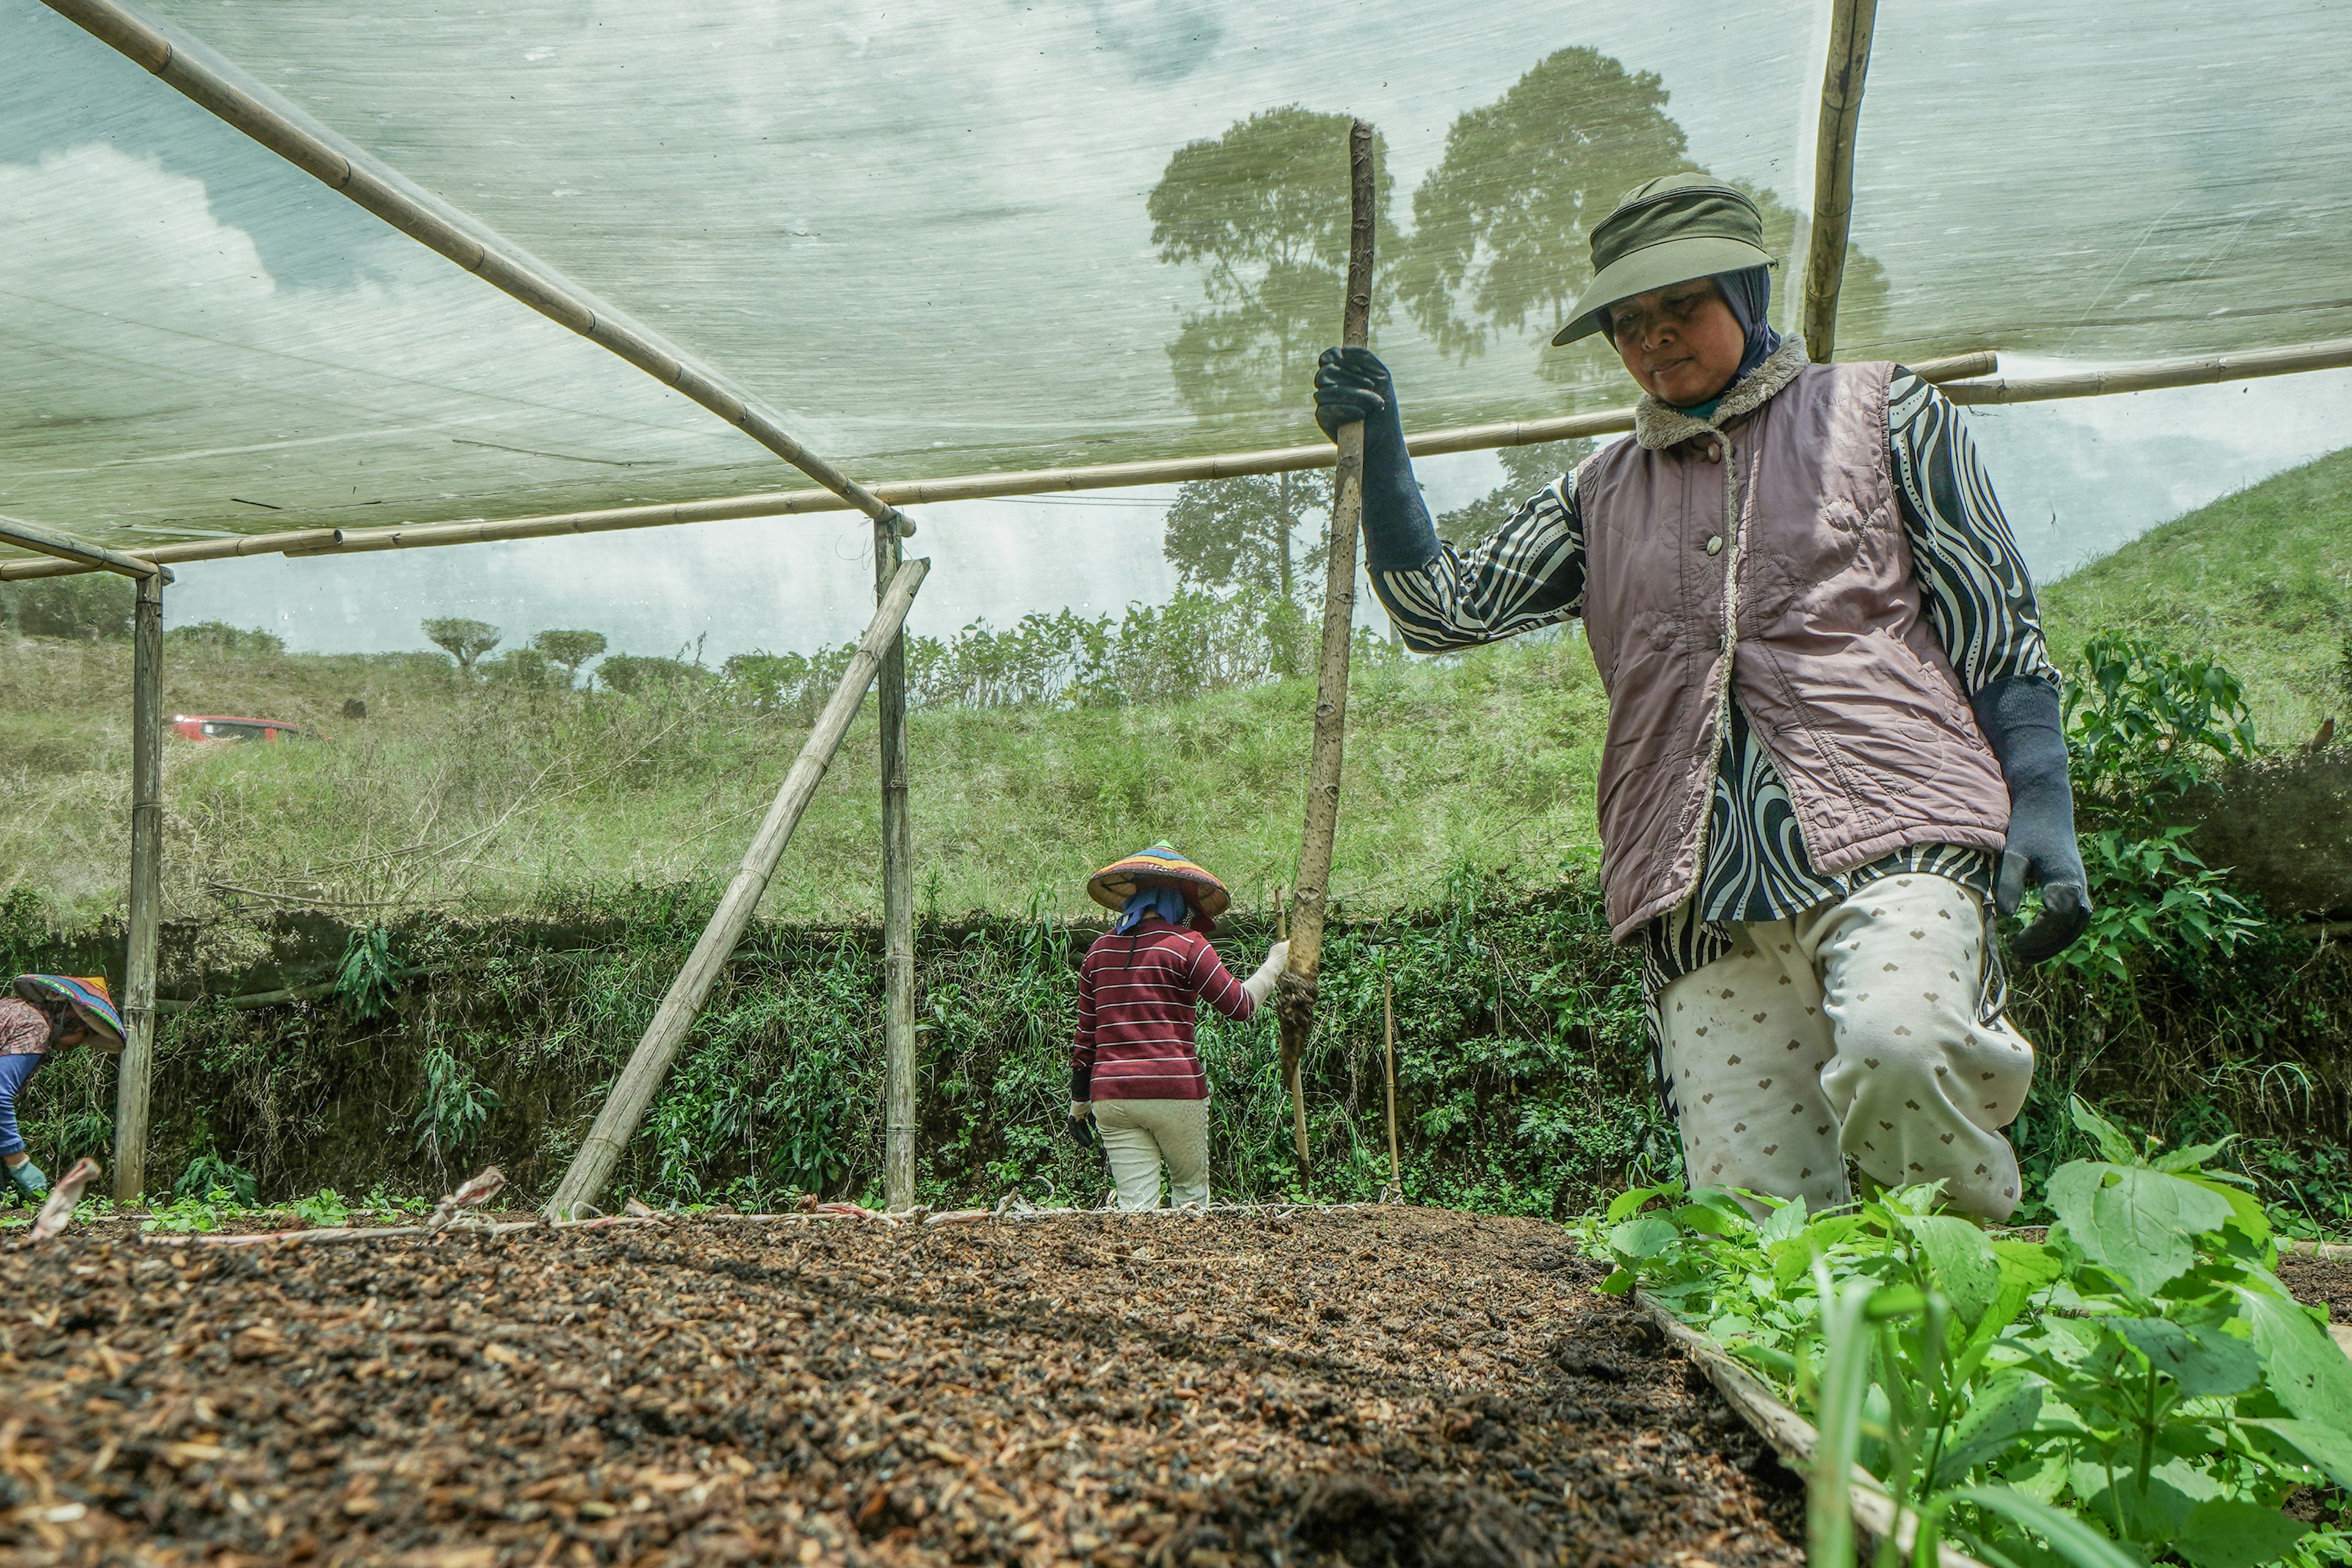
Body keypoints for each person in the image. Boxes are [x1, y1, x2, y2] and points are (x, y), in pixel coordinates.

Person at [1311, 174, 2089, 1222]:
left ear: (1745, 293)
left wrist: (2042, 797)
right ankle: (1821, 1336)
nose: (1654, 337)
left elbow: (1989, 611)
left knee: (1902, 1047)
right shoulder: (1598, 493)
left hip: (1896, 830)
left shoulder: (1883, 411)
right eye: (1628, 322)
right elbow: (1441, 611)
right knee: (1756, 1212)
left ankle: (1965, 1283)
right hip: (1700, 892)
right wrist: (1383, 449)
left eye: (1681, 304)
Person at [1072, 844, 1288, 1210]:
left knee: (1136, 1208)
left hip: (1112, 1096)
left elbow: (1086, 1038)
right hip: (1174, 1088)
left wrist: (1079, 1102)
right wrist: (1275, 963)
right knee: (1190, 1195)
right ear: (1179, 904)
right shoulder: (1188, 945)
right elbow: (1240, 1005)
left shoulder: (1097, 952)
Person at [0, 974, 125, 1197]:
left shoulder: (12, 1008)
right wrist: (19, 1163)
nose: (81, 1043)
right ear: (70, 1020)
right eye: (85, 1034)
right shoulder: (35, 1027)